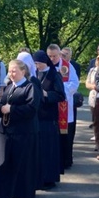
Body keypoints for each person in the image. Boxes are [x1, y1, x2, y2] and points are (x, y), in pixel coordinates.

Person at [0, 59, 40, 198]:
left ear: (23, 71)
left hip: (23, 133)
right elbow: (0, 106)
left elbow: (32, 109)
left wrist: (11, 109)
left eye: (14, 71)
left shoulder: (30, 87)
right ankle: (6, 195)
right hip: (6, 133)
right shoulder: (8, 87)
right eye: (10, 71)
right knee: (4, 163)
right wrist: (1, 109)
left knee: (22, 166)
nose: (11, 74)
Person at [33, 50, 65, 189]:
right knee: (38, 149)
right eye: (35, 63)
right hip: (37, 115)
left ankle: (49, 178)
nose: (37, 66)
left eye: (39, 63)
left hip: (49, 116)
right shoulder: (34, 74)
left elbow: (60, 95)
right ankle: (38, 176)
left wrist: (47, 94)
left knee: (48, 148)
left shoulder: (54, 75)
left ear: (45, 62)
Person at [47, 44, 79, 170]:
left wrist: (59, 90)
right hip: (50, 104)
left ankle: (65, 160)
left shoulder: (67, 66)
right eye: (50, 56)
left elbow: (74, 83)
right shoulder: (46, 66)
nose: (52, 58)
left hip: (63, 104)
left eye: (54, 56)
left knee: (65, 134)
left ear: (59, 54)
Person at [86, 51, 99, 153]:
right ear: (98, 59)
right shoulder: (93, 70)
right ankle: (98, 142)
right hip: (96, 97)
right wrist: (95, 87)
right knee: (96, 121)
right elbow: (87, 84)